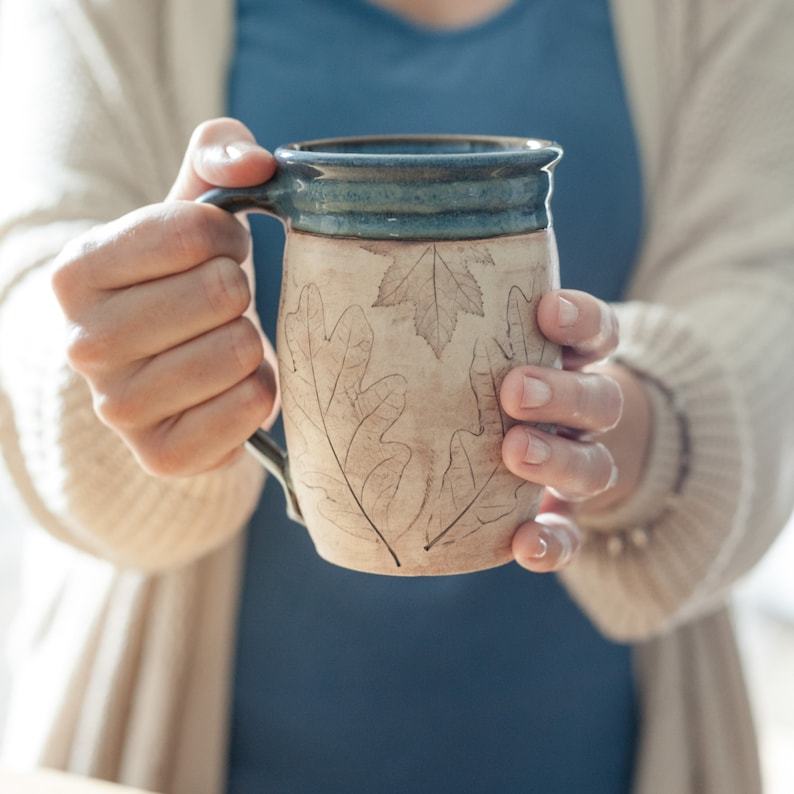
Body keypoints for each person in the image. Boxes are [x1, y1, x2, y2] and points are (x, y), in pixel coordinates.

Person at [0, 0, 792, 792]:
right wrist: (119, 376)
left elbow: (766, 287)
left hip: (598, 751)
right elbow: (32, 278)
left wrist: (636, 432)